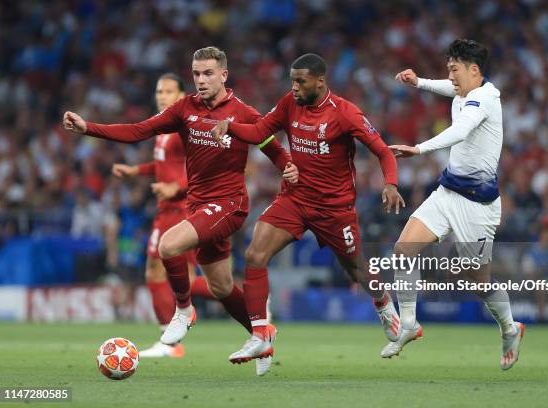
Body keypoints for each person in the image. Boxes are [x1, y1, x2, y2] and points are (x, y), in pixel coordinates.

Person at [63, 46, 298, 376]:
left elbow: (271, 147)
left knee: (168, 246)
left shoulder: (243, 113)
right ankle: (262, 334)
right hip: (200, 206)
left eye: (208, 74)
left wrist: (288, 166)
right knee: (220, 287)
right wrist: (89, 127)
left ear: (224, 75)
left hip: (230, 205)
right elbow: (137, 131)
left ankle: (184, 312)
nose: (201, 80)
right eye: (196, 73)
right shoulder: (184, 109)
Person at [210, 53, 405, 366]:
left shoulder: (345, 113)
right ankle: (260, 334)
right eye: (292, 81)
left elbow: (383, 152)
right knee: (254, 255)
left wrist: (391, 184)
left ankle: (383, 303)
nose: (295, 87)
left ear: (320, 80)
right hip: (295, 199)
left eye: (301, 81)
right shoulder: (289, 103)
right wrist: (231, 127)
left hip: (334, 208)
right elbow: (260, 132)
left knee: (354, 268)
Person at [387, 39, 524, 370]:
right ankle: (408, 323)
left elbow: (460, 131)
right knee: (403, 250)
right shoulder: (464, 90)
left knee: (478, 283)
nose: (450, 77)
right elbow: (449, 89)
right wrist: (419, 82)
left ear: (474, 71)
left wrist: (418, 149)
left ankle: (510, 328)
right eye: (448, 69)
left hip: (478, 207)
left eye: (454, 70)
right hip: (447, 193)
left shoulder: (483, 99)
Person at [110, 73, 218, 358]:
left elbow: (202, 165)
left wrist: (176, 186)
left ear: (182, 96)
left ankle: (169, 342)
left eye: (169, 91)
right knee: (162, 273)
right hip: (166, 209)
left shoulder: (186, 127)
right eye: (159, 90)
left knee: (171, 273)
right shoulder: (164, 126)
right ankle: (168, 342)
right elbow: (164, 164)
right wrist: (136, 171)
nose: (162, 95)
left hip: (182, 208)